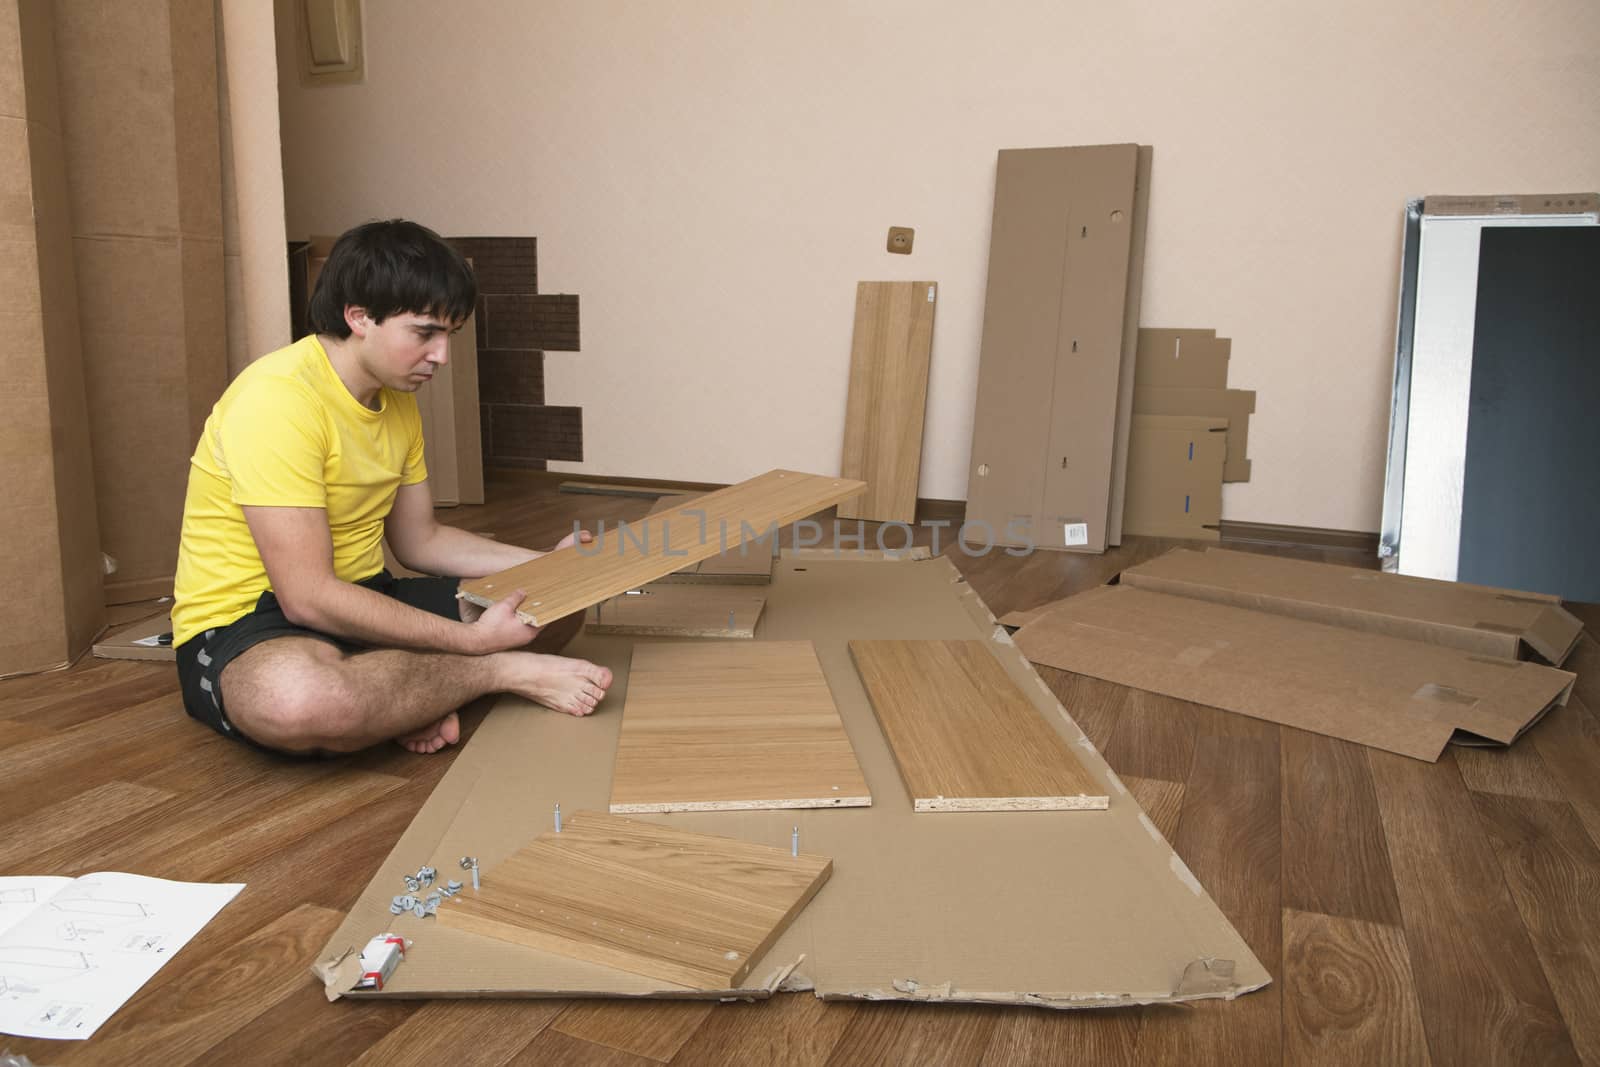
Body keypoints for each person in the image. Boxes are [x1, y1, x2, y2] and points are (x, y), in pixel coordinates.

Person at [171, 219, 611, 756]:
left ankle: (400, 695)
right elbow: (306, 598)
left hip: (364, 599)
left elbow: (419, 541)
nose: (441, 356)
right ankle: (492, 673)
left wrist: (548, 563)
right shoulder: (277, 401)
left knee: (558, 604)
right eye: (424, 333)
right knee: (300, 701)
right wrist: (475, 645)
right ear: (359, 316)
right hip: (252, 620)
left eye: (449, 335)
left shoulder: (395, 399)